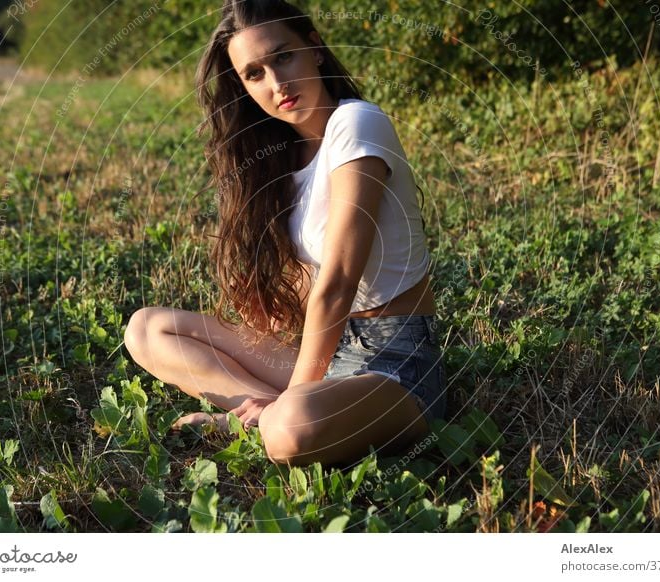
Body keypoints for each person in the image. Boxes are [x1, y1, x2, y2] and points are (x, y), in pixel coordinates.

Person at [123, 0, 447, 466]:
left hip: (396, 362)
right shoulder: (284, 161)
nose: (277, 84)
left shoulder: (356, 124)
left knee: (291, 430)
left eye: (283, 57)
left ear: (313, 47)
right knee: (147, 329)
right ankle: (264, 414)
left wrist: (300, 388)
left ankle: (264, 418)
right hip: (330, 354)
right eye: (255, 74)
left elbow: (337, 283)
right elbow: (310, 281)